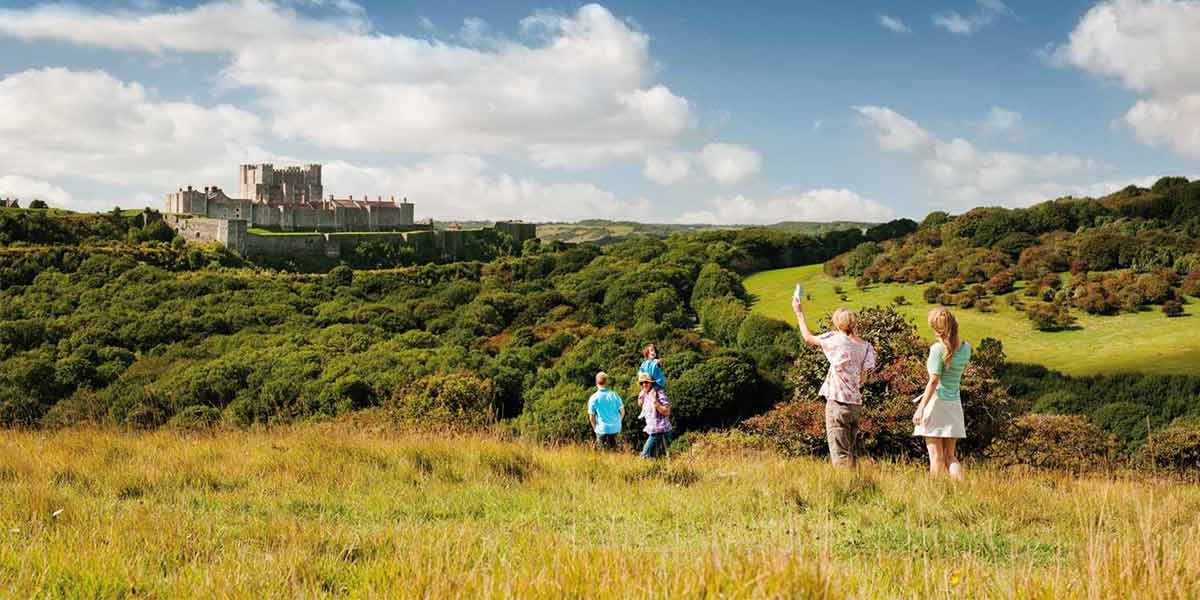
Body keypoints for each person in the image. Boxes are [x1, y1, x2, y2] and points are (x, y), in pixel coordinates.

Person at [792, 297, 877, 467]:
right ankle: (858, 487)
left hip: (838, 403)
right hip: (855, 404)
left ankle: (845, 491)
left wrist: (799, 313)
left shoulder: (836, 339)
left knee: (840, 455)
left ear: (838, 324)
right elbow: (864, 378)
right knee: (852, 452)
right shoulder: (866, 346)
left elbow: (808, 338)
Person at [913, 307, 971, 480]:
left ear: (935, 328)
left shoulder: (937, 349)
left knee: (936, 458)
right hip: (954, 404)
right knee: (950, 457)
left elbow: (934, 381)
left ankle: (934, 494)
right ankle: (963, 489)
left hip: (936, 404)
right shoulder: (966, 348)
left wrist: (920, 408)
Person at [637, 371, 671, 458]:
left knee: (644, 456)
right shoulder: (645, 393)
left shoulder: (658, 393)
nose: (644, 384)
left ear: (651, 382)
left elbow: (667, 411)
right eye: (642, 383)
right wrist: (641, 395)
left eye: (646, 382)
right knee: (657, 458)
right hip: (654, 430)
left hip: (660, 430)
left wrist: (655, 402)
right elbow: (640, 404)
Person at [587, 372, 624, 450]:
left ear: (596, 382)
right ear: (606, 382)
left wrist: (595, 428)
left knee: (603, 455)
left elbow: (591, 417)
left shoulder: (593, 398)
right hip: (615, 428)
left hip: (601, 429)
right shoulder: (614, 395)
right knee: (616, 454)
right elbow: (622, 412)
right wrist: (618, 421)